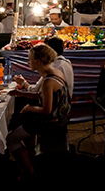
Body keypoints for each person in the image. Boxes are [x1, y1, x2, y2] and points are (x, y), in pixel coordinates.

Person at [6, 44, 70, 176]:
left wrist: (29, 108)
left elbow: (46, 110)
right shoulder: (56, 72)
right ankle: (31, 157)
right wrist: (20, 93)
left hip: (52, 122)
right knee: (23, 123)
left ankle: (29, 169)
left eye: (29, 59)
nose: (28, 62)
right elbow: (44, 96)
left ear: (38, 61)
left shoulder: (48, 81)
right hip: (61, 117)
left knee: (10, 138)